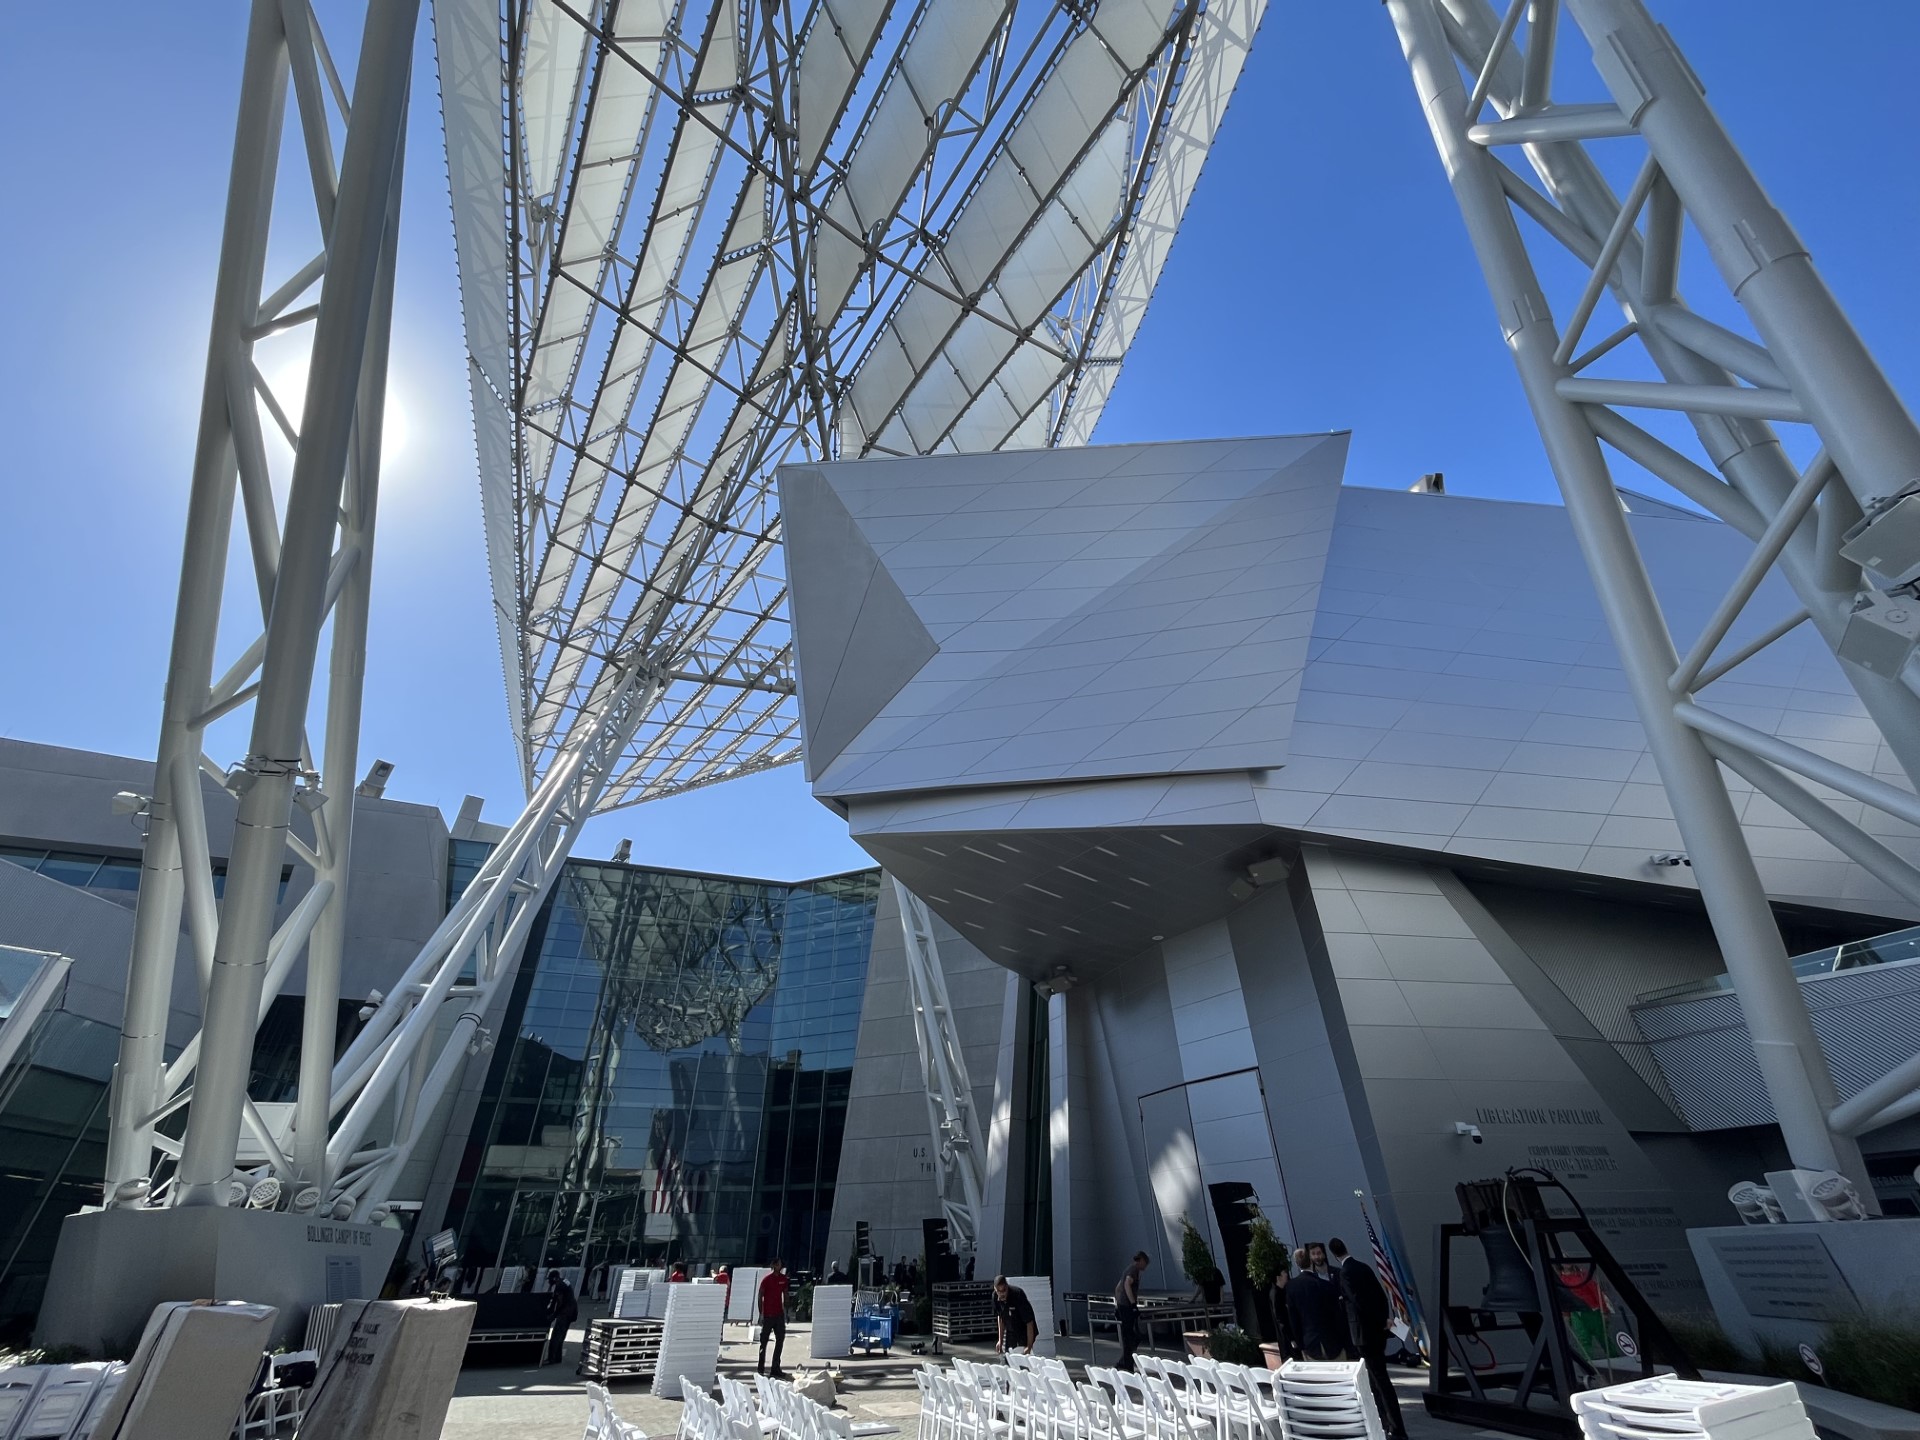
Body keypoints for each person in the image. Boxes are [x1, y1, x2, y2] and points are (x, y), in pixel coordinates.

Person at [1330, 1238, 1407, 1440]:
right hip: (1377, 1331)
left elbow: (1357, 1301)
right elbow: (1380, 1295)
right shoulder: (1363, 1267)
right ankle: (1386, 1423)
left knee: (1379, 1382)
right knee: (1379, 1380)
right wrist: (1384, 1319)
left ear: (1333, 1254)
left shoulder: (1345, 1273)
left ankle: (1393, 1427)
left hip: (1364, 1335)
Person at [1286, 1247, 1345, 1361]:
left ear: (1297, 1264)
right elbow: (1337, 1314)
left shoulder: (1291, 1287)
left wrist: (1298, 1342)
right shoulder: (1324, 1285)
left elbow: (1293, 1318)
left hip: (1309, 1342)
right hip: (1332, 1340)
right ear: (1311, 1262)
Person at [1305, 1242, 1353, 1357]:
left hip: (1344, 1322)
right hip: (1328, 1328)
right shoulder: (1311, 1279)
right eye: (1313, 1254)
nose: (1317, 1256)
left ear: (1324, 1254)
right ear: (1310, 1257)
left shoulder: (1337, 1272)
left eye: (1319, 1253)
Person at [1113, 1251, 1149, 1372]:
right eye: (1145, 1263)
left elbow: (1118, 1288)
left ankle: (1125, 1361)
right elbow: (1127, 1284)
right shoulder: (1133, 1270)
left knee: (1127, 1334)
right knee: (1131, 1336)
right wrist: (1133, 1304)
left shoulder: (1127, 1269)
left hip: (1122, 1305)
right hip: (1128, 1306)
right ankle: (1126, 1362)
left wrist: (1118, 1305)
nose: (1146, 1266)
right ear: (1141, 1261)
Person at [758, 1258, 790, 1377]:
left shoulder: (783, 1279)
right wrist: (761, 1313)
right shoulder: (767, 1280)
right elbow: (760, 1295)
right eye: (778, 1264)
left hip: (779, 1315)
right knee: (763, 1342)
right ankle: (760, 1368)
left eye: (781, 1264)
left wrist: (786, 1312)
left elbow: (785, 1295)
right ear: (774, 1265)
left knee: (780, 1340)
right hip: (768, 1315)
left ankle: (775, 1367)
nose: (780, 1266)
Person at [993, 1275, 1039, 1355]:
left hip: (1024, 1330)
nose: (1001, 1294)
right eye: (998, 1291)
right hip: (1010, 1330)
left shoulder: (1018, 1295)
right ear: (995, 1289)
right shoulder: (995, 1297)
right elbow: (1000, 1318)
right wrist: (1000, 1341)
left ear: (1007, 1287)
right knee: (1008, 1357)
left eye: (1003, 1290)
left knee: (1022, 1357)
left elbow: (1029, 1322)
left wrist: (1029, 1346)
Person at [543, 1268, 579, 1367]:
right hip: (572, 1311)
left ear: (554, 1278)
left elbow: (560, 1302)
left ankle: (551, 1358)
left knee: (556, 1336)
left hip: (565, 1312)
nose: (549, 1282)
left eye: (550, 1279)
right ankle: (558, 1358)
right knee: (561, 1335)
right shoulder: (564, 1281)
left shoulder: (559, 1286)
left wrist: (553, 1315)